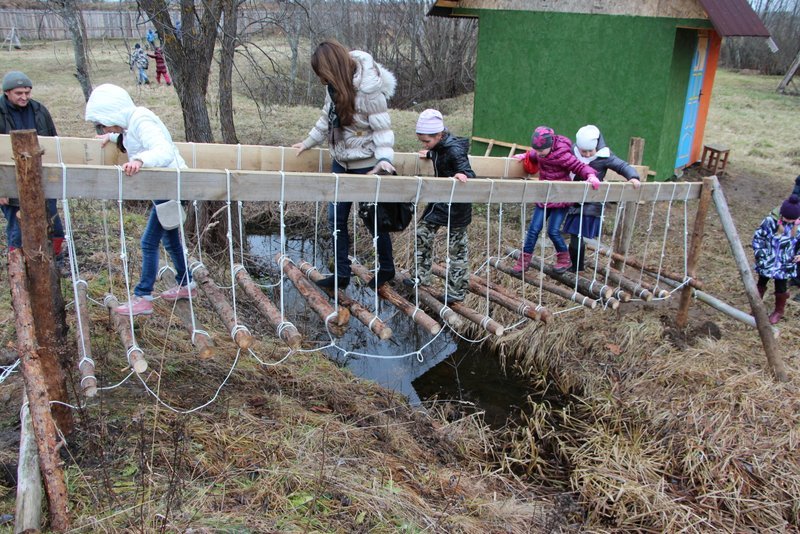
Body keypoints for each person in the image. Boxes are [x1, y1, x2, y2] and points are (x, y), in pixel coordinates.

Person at [292, 40, 397, 290]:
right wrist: (307, 142)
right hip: (341, 160)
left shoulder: (369, 88)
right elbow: (325, 119)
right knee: (335, 219)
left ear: (332, 68)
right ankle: (341, 274)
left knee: (373, 219)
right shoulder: (333, 88)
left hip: (367, 163)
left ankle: (387, 267)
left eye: (323, 74)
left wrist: (384, 160)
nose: (321, 80)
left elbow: (383, 128)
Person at [85, 83, 195, 316]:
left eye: (104, 123)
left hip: (172, 187)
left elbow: (162, 150)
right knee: (170, 239)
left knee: (148, 242)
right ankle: (187, 284)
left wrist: (141, 161)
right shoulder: (130, 125)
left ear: (112, 113)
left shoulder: (141, 120)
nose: (104, 127)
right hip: (164, 187)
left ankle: (143, 296)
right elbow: (131, 138)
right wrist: (113, 138)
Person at [405, 109, 475, 305]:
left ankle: (457, 290)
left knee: (457, 246)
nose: (425, 144)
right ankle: (421, 276)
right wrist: (429, 153)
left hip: (458, 203)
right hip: (440, 200)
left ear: (439, 135)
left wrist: (463, 175)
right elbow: (439, 155)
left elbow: (468, 172)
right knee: (423, 232)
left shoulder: (454, 149)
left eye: (427, 141)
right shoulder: (439, 147)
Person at [511, 126, 599, 274]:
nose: (539, 154)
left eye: (541, 151)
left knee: (553, 231)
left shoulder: (563, 154)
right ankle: (523, 261)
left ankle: (564, 259)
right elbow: (534, 154)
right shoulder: (540, 153)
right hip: (544, 196)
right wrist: (524, 156)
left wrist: (590, 175)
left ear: (550, 145)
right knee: (533, 229)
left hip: (560, 198)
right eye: (537, 151)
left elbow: (579, 167)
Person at [0, 70, 65, 262]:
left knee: (53, 223)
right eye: (19, 93)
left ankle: (55, 262)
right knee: (18, 227)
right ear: (7, 92)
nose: (24, 97)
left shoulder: (39, 110)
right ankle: (19, 266)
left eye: (27, 92)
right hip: (10, 177)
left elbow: (54, 142)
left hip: (40, 176)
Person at [562, 125, 641, 272]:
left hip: (591, 201)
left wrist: (633, 177)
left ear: (597, 146)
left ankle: (576, 267)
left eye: (589, 151)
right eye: (582, 151)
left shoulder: (604, 156)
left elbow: (621, 166)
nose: (585, 154)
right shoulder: (572, 151)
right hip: (573, 200)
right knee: (575, 236)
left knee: (576, 235)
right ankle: (576, 266)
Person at [752, 194, 800, 324]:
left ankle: (778, 311)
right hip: (768, 260)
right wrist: (760, 252)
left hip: (785, 263)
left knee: (781, 286)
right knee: (761, 282)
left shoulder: (798, 226)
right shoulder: (769, 221)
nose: (789, 221)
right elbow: (758, 237)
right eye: (786, 218)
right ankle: (756, 307)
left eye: (792, 219)